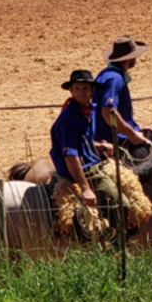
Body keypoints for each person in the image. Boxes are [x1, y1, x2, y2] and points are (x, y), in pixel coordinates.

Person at [49, 69, 127, 234]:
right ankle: (113, 246)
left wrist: (97, 146)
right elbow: (71, 155)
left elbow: (81, 142)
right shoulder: (68, 118)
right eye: (76, 89)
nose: (80, 93)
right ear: (71, 91)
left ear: (92, 90)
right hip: (85, 171)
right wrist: (85, 188)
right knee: (120, 204)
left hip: (92, 164)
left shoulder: (87, 111)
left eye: (84, 89)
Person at [94, 35, 152, 162]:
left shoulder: (105, 74)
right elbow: (108, 112)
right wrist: (132, 134)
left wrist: (136, 129)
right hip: (115, 141)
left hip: (109, 136)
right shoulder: (115, 79)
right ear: (130, 58)